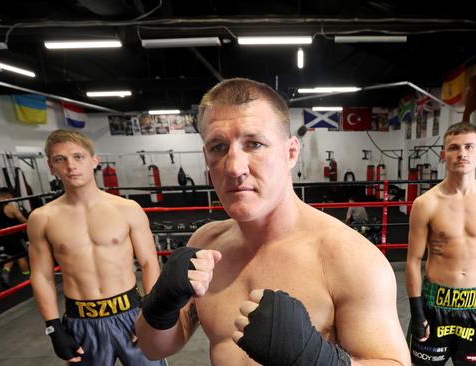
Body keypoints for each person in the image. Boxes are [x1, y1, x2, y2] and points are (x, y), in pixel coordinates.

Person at [135, 78, 411, 366]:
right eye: (218, 147)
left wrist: (319, 361)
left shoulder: (346, 257)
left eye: (254, 144)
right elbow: (154, 348)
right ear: (206, 155)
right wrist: (161, 305)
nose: (234, 167)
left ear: (290, 152)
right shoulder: (205, 244)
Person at [28, 129, 164, 365]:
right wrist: (53, 327)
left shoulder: (127, 209)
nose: (71, 166)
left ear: (94, 161)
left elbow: (149, 262)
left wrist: (149, 314)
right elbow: (42, 275)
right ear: (51, 167)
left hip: (131, 313)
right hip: (81, 320)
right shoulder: (43, 218)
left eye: (78, 157)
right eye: (60, 159)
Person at [406, 122, 476, 365]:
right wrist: (416, 310)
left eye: (468, 146)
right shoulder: (426, 203)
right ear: (444, 155)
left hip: (475, 305)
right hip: (435, 304)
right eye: (454, 148)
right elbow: (413, 260)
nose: (461, 153)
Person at [0, 187, 29, 287]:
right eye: (11, 197)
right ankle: (27, 276)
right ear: (8, 196)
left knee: (10, 255)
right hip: (16, 236)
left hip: (4, 235)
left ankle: (5, 273)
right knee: (21, 256)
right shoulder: (11, 207)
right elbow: (23, 221)